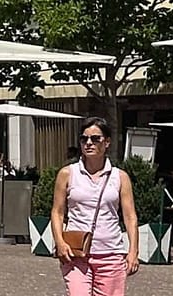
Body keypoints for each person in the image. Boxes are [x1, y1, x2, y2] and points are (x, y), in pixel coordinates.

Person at [51, 116, 138, 295]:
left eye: (95, 139)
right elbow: (58, 212)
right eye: (84, 139)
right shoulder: (67, 173)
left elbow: (130, 217)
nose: (88, 143)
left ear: (107, 142)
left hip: (111, 253)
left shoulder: (119, 177)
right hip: (75, 253)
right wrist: (59, 242)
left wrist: (133, 251)